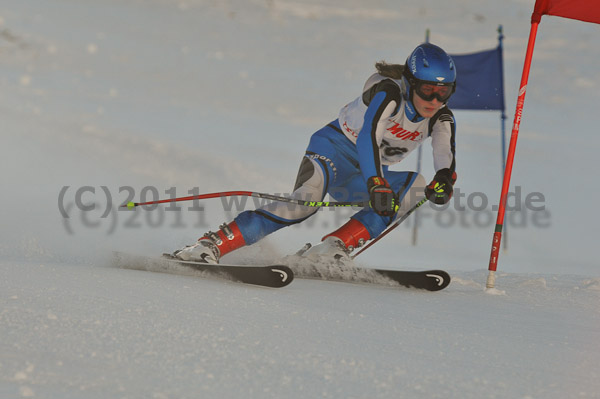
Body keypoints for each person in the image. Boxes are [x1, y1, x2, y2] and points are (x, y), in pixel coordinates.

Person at [173, 42, 458, 264]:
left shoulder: (441, 118)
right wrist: (376, 182)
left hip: (364, 174)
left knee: (414, 188)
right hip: (332, 152)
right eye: (427, 89)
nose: (434, 100)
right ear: (410, 82)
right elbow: (368, 137)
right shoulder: (390, 94)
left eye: (443, 92)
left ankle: (332, 248)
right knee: (302, 205)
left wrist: (444, 179)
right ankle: (210, 245)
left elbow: (444, 153)